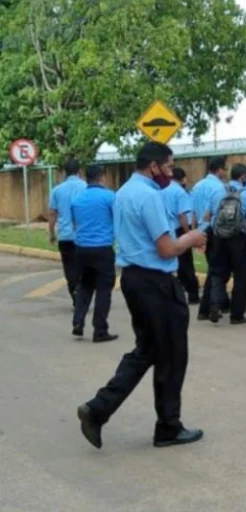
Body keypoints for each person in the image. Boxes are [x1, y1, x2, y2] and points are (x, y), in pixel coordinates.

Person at [77, 142, 208, 450]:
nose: (169, 173)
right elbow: (167, 248)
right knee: (172, 355)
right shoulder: (149, 196)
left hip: (135, 279)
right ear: (154, 166)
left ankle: (98, 409)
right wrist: (191, 237)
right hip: (156, 282)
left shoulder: (123, 192)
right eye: (167, 166)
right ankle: (168, 427)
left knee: (148, 350)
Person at [69, 165, 117, 343]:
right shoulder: (109, 196)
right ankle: (100, 329)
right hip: (102, 248)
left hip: (81, 248)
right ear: (102, 177)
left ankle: (78, 323)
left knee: (85, 286)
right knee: (104, 289)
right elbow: (117, 219)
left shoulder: (77, 199)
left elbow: (75, 223)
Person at [205, 163, 246, 325]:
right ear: (243, 177)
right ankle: (237, 315)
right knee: (241, 276)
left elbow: (208, 215)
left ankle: (214, 304)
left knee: (217, 272)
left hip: (218, 237)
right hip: (238, 238)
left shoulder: (217, 192)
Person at [193, 157, 230, 321]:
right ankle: (213, 306)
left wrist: (194, 232)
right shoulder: (219, 188)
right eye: (225, 169)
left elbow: (193, 212)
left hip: (200, 230)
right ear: (220, 169)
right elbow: (219, 214)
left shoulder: (197, 186)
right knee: (218, 270)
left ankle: (207, 308)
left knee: (214, 269)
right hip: (215, 232)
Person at [48, 159, 87, 305]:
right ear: (79, 171)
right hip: (84, 236)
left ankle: (75, 290)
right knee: (84, 265)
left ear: (64, 172)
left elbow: (52, 214)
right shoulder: (87, 187)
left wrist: (52, 233)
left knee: (69, 266)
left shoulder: (57, 190)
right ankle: (82, 290)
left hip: (65, 236)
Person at [163, 167, 200, 303]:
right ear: (183, 178)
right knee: (186, 263)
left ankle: (173, 293)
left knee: (171, 262)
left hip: (165, 229)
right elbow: (182, 215)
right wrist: (188, 233)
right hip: (179, 229)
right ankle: (193, 294)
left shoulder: (162, 190)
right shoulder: (180, 192)